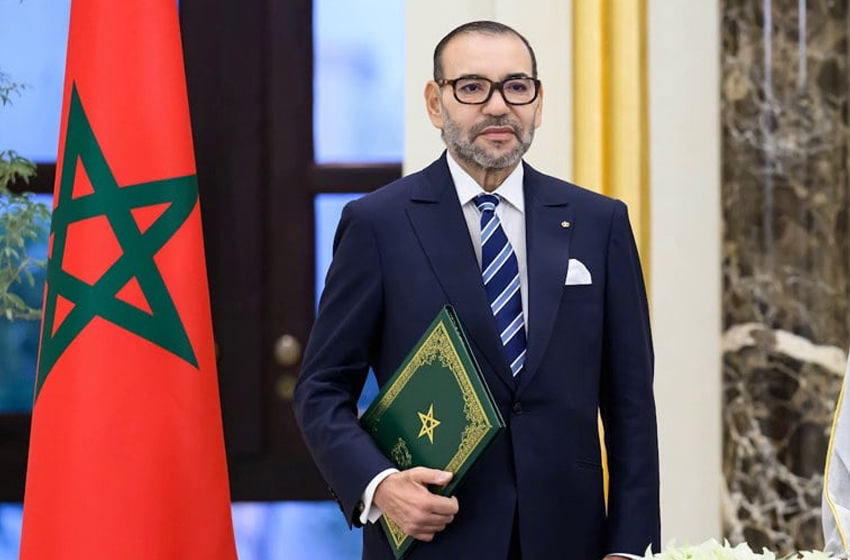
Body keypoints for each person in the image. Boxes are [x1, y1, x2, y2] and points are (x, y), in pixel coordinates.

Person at [294, 20, 660, 560]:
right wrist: (381, 486)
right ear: (435, 102)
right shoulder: (378, 224)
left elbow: (632, 406)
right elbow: (321, 389)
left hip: (570, 540)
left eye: (516, 86)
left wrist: (630, 549)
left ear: (538, 101)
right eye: (472, 87)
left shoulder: (598, 222)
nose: (497, 106)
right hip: (433, 539)